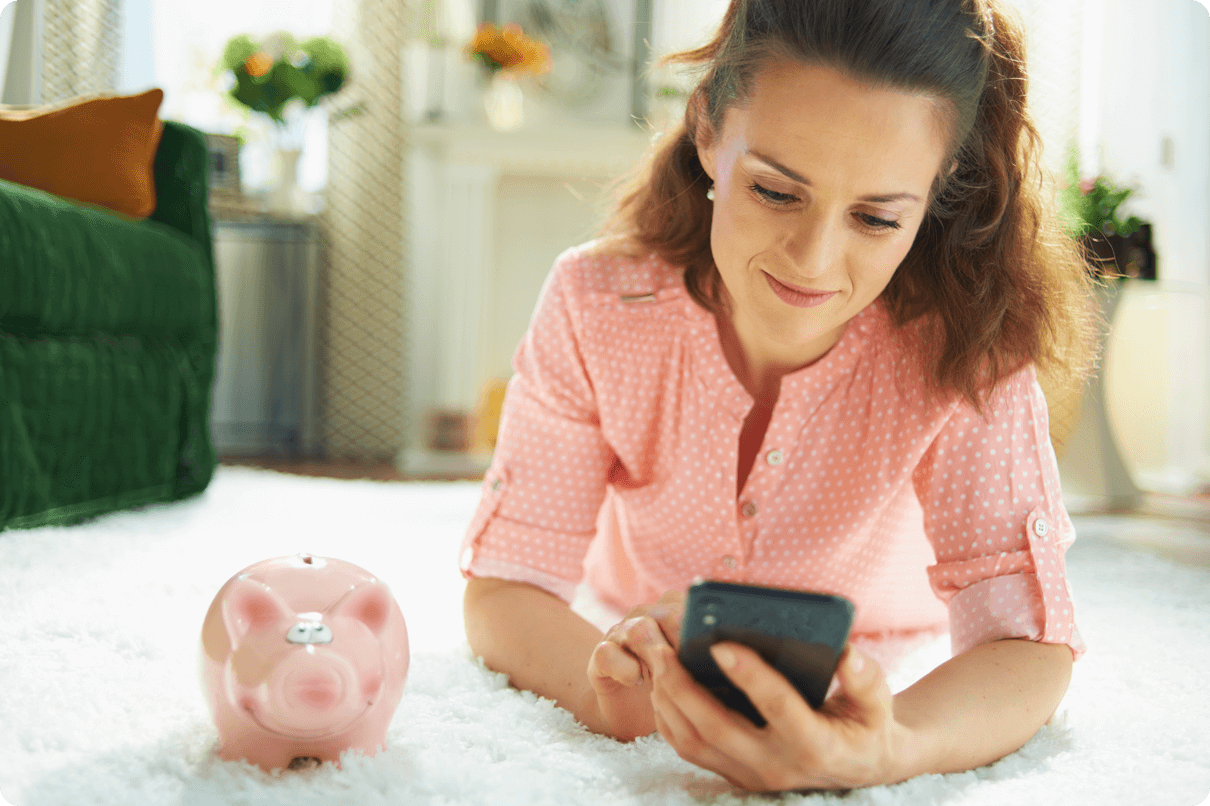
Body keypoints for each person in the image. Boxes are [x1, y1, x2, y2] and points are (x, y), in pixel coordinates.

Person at [459, 0, 1099, 792]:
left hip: (883, 649)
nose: (812, 260)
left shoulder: (968, 344)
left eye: (874, 217)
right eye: (775, 191)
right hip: (639, 626)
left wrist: (890, 747)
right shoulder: (594, 302)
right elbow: (505, 588)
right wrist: (627, 698)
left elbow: (1028, 646)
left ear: (936, 195)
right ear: (706, 132)